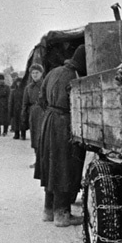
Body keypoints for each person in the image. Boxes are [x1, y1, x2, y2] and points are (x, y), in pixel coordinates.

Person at [34, 45, 87, 227]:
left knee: (51, 165)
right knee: (64, 166)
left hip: (48, 121)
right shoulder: (76, 77)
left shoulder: (53, 71)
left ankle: (48, 210)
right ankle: (62, 214)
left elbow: (41, 99)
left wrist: (51, 112)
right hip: (64, 124)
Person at [21, 63, 46, 165]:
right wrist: (24, 116)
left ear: (41, 73)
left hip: (43, 112)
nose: (35, 75)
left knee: (43, 137)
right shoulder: (28, 88)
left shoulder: (45, 85)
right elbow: (25, 103)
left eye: (37, 73)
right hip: (33, 114)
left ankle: (44, 162)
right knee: (35, 138)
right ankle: (37, 161)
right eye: (33, 73)